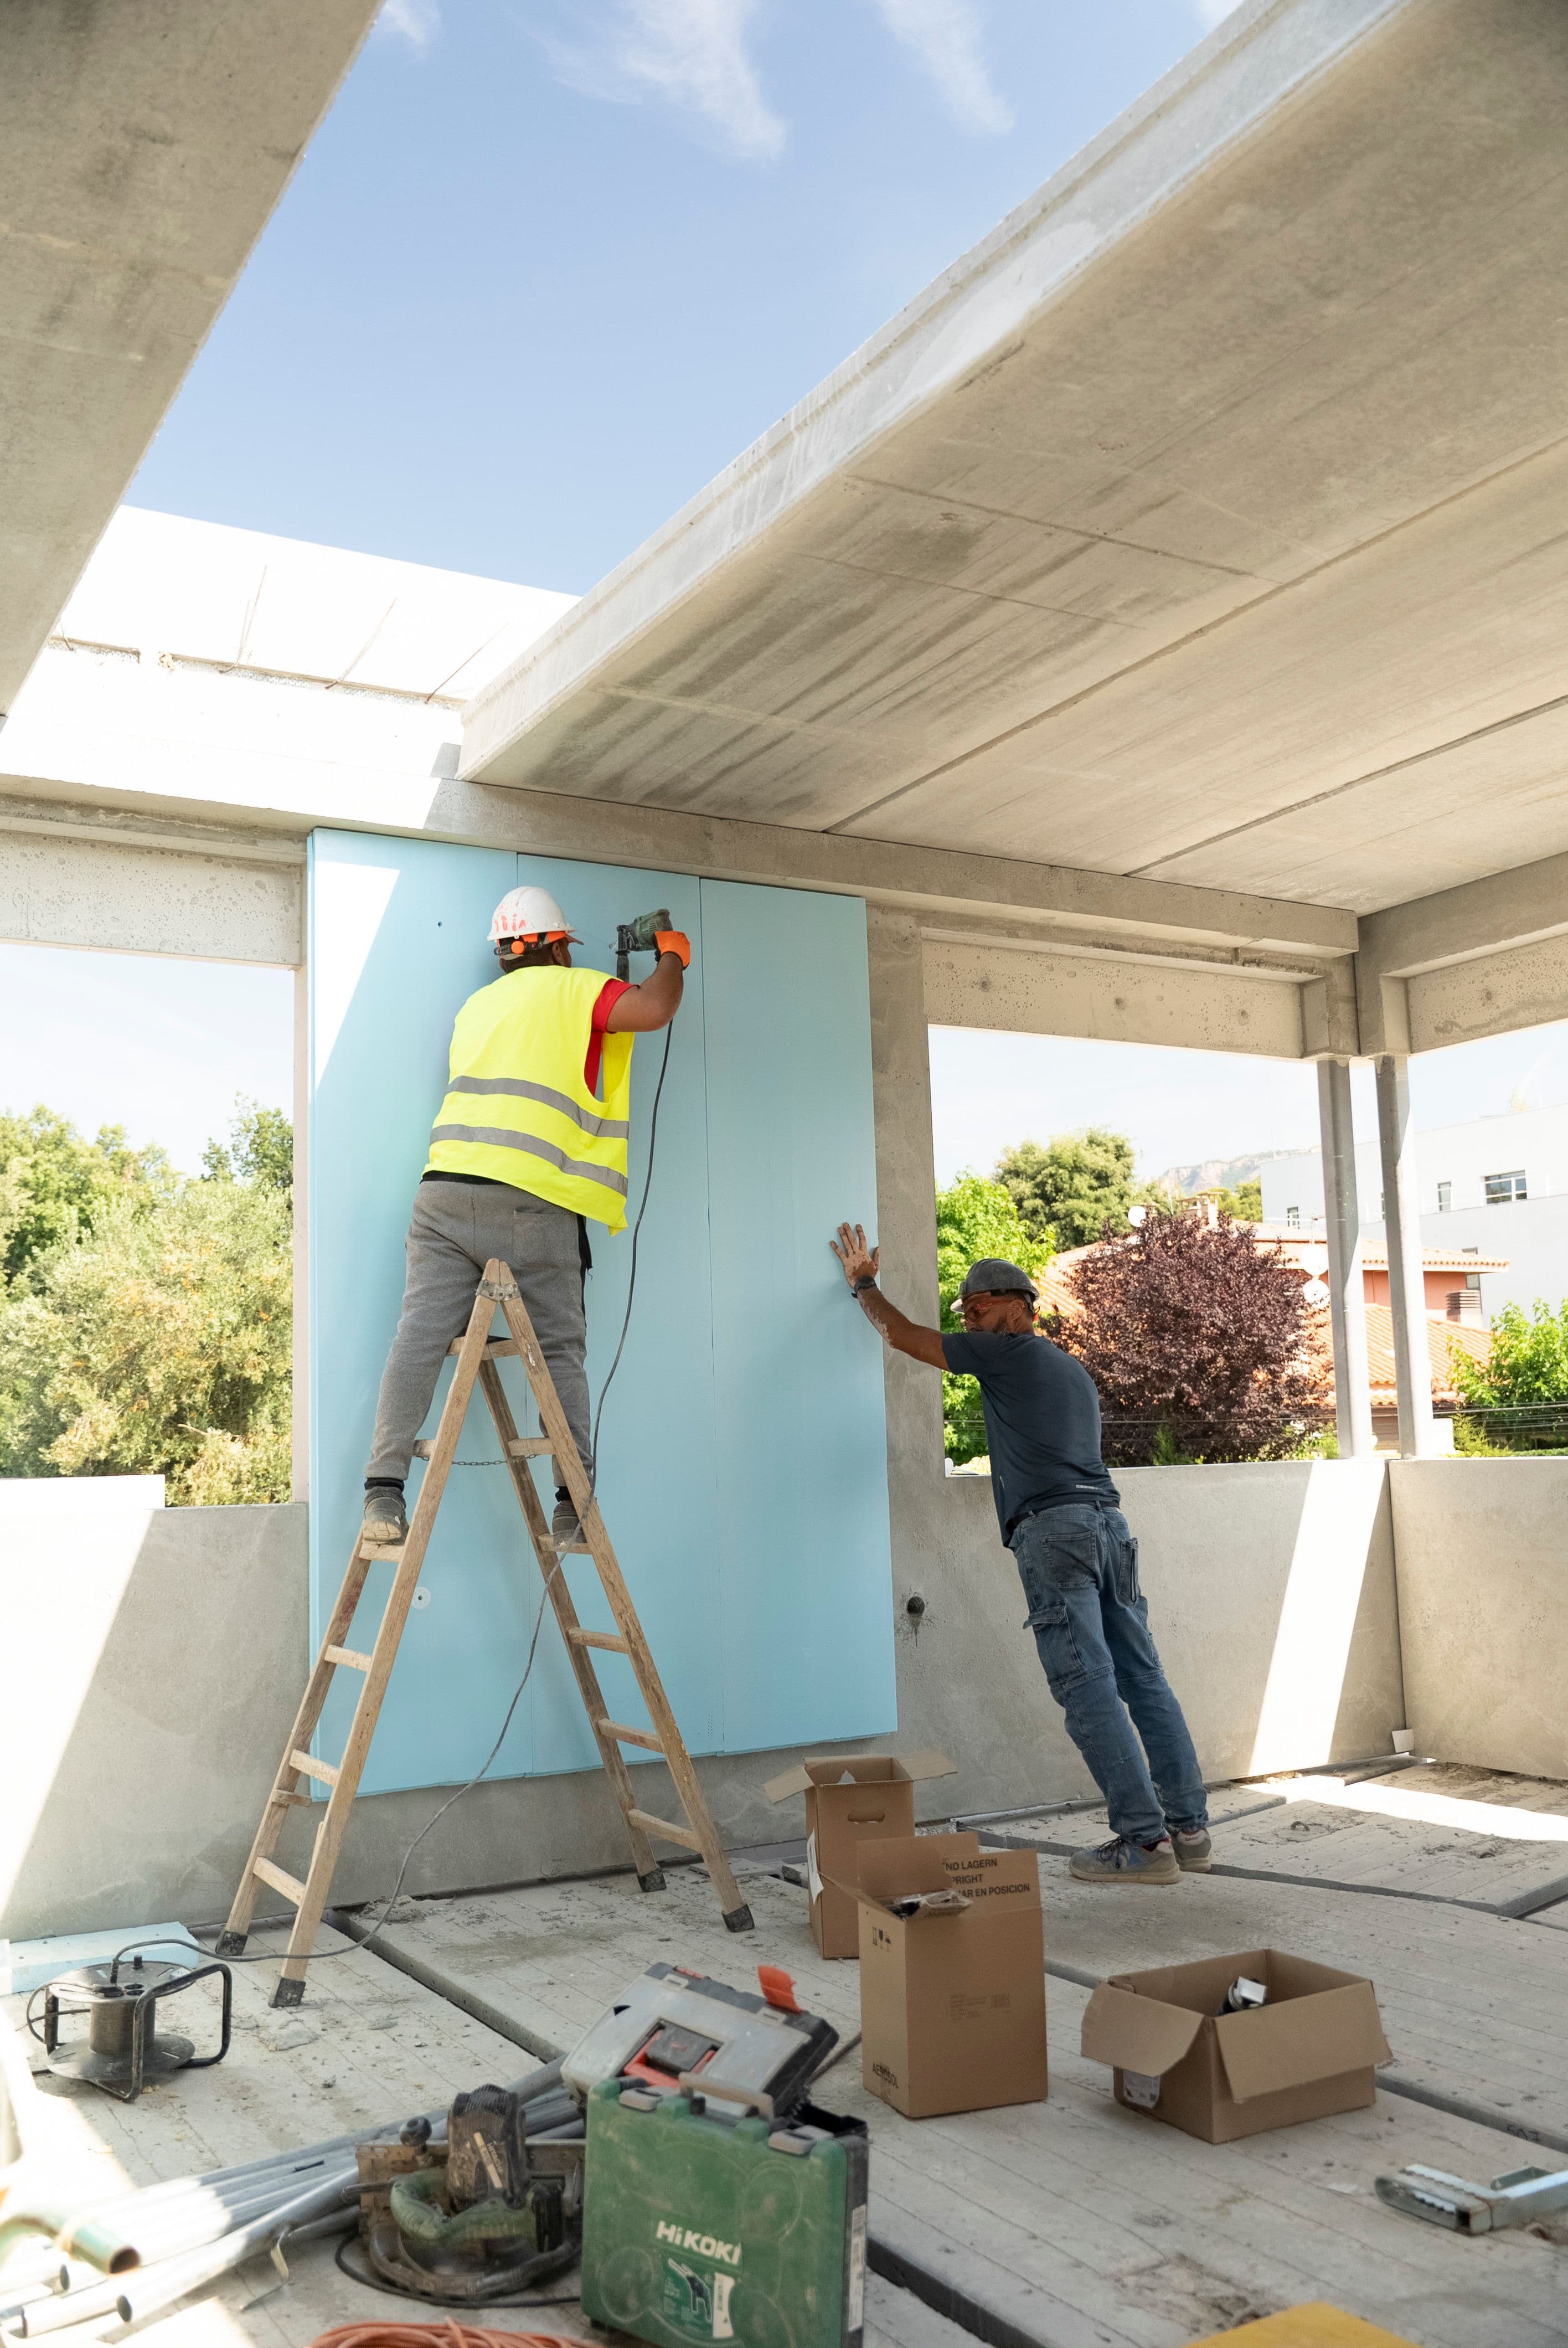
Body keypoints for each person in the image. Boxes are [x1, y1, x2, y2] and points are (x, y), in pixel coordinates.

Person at [828, 1222, 1210, 1886]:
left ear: (1017, 1305)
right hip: (1108, 1528)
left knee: (1085, 1685)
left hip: (1056, 1534)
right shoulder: (1069, 1369)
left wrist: (865, 1285)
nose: (973, 1324)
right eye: (969, 1316)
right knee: (1141, 1677)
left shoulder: (1008, 1353)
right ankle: (1190, 1829)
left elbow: (904, 1337)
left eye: (978, 1310)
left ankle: (1144, 1845)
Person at [361, 887, 689, 1550]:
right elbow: (653, 1008)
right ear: (559, 945)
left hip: (443, 1197)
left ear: (506, 954)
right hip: (533, 1204)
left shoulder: (477, 1007)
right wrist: (673, 954)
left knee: (419, 1337)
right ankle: (572, 1505)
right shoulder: (578, 992)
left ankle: (383, 1491)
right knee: (560, 1349)